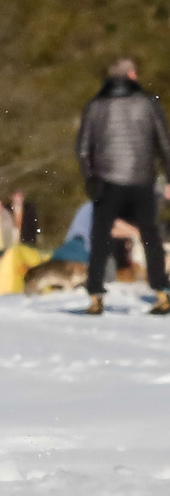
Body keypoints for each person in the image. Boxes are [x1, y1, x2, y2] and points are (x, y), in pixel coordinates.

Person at [75, 57, 170, 316]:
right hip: (142, 181)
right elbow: (164, 144)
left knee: (100, 239)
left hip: (107, 181)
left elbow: (83, 149)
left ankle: (95, 295)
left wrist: (91, 177)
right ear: (130, 76)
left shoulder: (95, 106)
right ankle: (162, 291)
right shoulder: (149, 103)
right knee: (151, 237)